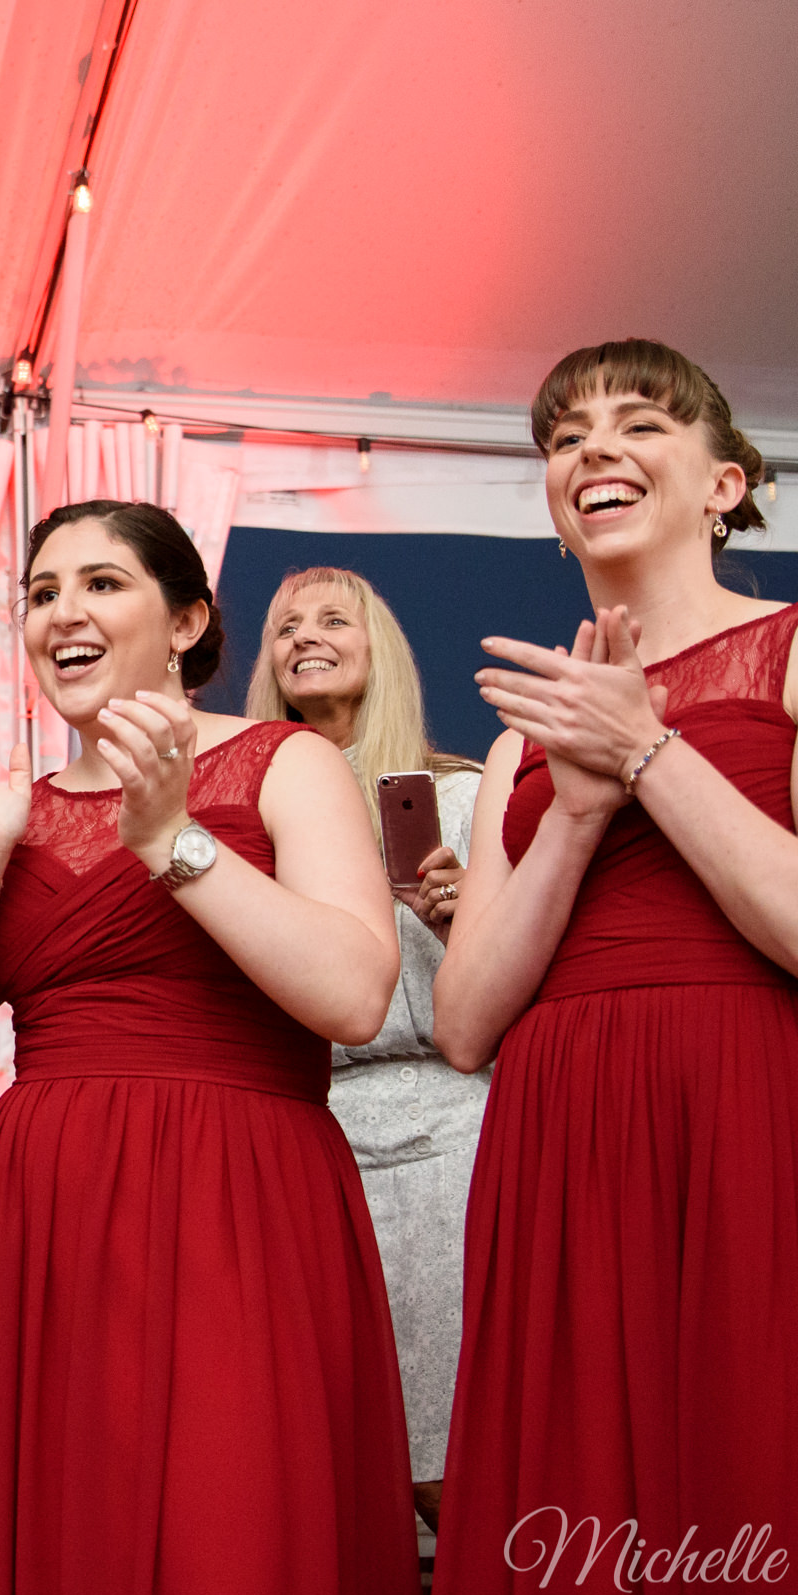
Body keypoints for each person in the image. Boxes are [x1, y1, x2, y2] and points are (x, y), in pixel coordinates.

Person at [428, 339, 798, 1595]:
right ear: (556, 506)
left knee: (780, 1492)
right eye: (565, 437)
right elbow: (463, 1023)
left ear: (726, 483)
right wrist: (569, 812)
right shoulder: (522, 733)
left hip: (763, 1121)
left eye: (638, 425)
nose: (592, 449)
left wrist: (651, 753)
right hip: (565, 1150)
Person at [0, 500, 422, 1595]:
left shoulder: (287, 762)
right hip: (46, 1215)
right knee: (63, 1530)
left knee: (228, 1538)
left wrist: (173, 836)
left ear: (185, 619)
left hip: (236, 1201)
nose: (61, 611)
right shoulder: (12, 811)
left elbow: (351, 994)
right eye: (40, 592)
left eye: (100, 584)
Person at [249, 566, 488, 1531]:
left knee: (456, 1455)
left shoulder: (463, 796)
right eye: (283, 626)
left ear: (378, 646)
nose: (305, 635)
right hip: (303, 1133)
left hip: (448, 1140)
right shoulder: (250, 809)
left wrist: (472, 913)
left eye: (332, 618)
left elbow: (524, 983)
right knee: (330, 1461)